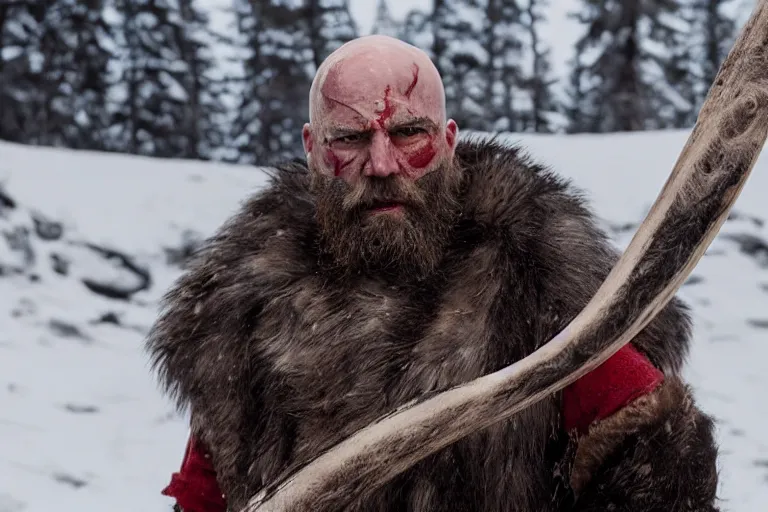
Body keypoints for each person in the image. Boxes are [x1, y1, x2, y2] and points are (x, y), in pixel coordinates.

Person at [146, 35, 719, 512]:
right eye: (348, 138)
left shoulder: (533, 281)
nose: (381, 165)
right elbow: (204, 496)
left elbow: (653, 450)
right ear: (313, 149)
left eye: (406, 133)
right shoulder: (245, 310)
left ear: (447, 143)